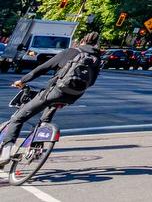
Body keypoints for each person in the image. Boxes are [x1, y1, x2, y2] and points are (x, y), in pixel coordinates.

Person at [0, 31, 101, 160]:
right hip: (73, 96)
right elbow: (91, 82)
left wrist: (22, 80)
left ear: (82, 41)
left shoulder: (71, 52)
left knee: (18, 118)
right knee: (45, 119)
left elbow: (42, 68)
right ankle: (35, 147)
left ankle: (6, 153)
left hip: (54, 92)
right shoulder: (96, 59)